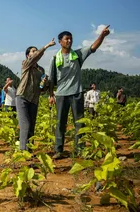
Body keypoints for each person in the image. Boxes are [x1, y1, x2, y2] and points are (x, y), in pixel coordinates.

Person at [48, 25, 111, 159]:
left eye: (71, 39)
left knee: (79, 122)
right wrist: (50, 95)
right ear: (60, 41)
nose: (69, 41)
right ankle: (59, 150)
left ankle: (80, 149)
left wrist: (102, 35)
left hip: (76, 93)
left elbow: (93, 47)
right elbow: (51, 79)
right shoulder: (54, 59)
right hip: (60, 95)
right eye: (66, 39)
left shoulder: (77, 55)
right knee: (60, 123)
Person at [16, 38, 56, 151]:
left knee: (31, 127)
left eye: (36, 50)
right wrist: (46, 46)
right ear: (28, 55)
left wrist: (45, 84)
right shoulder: (26, 64)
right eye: (33, 51)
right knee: (25, 125)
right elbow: (36, 57)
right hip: (22, 97)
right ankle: (23, 152)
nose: (35, 52)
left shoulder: (41, 70)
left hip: (34, 100)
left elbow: (41, 89)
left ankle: (30, 150)